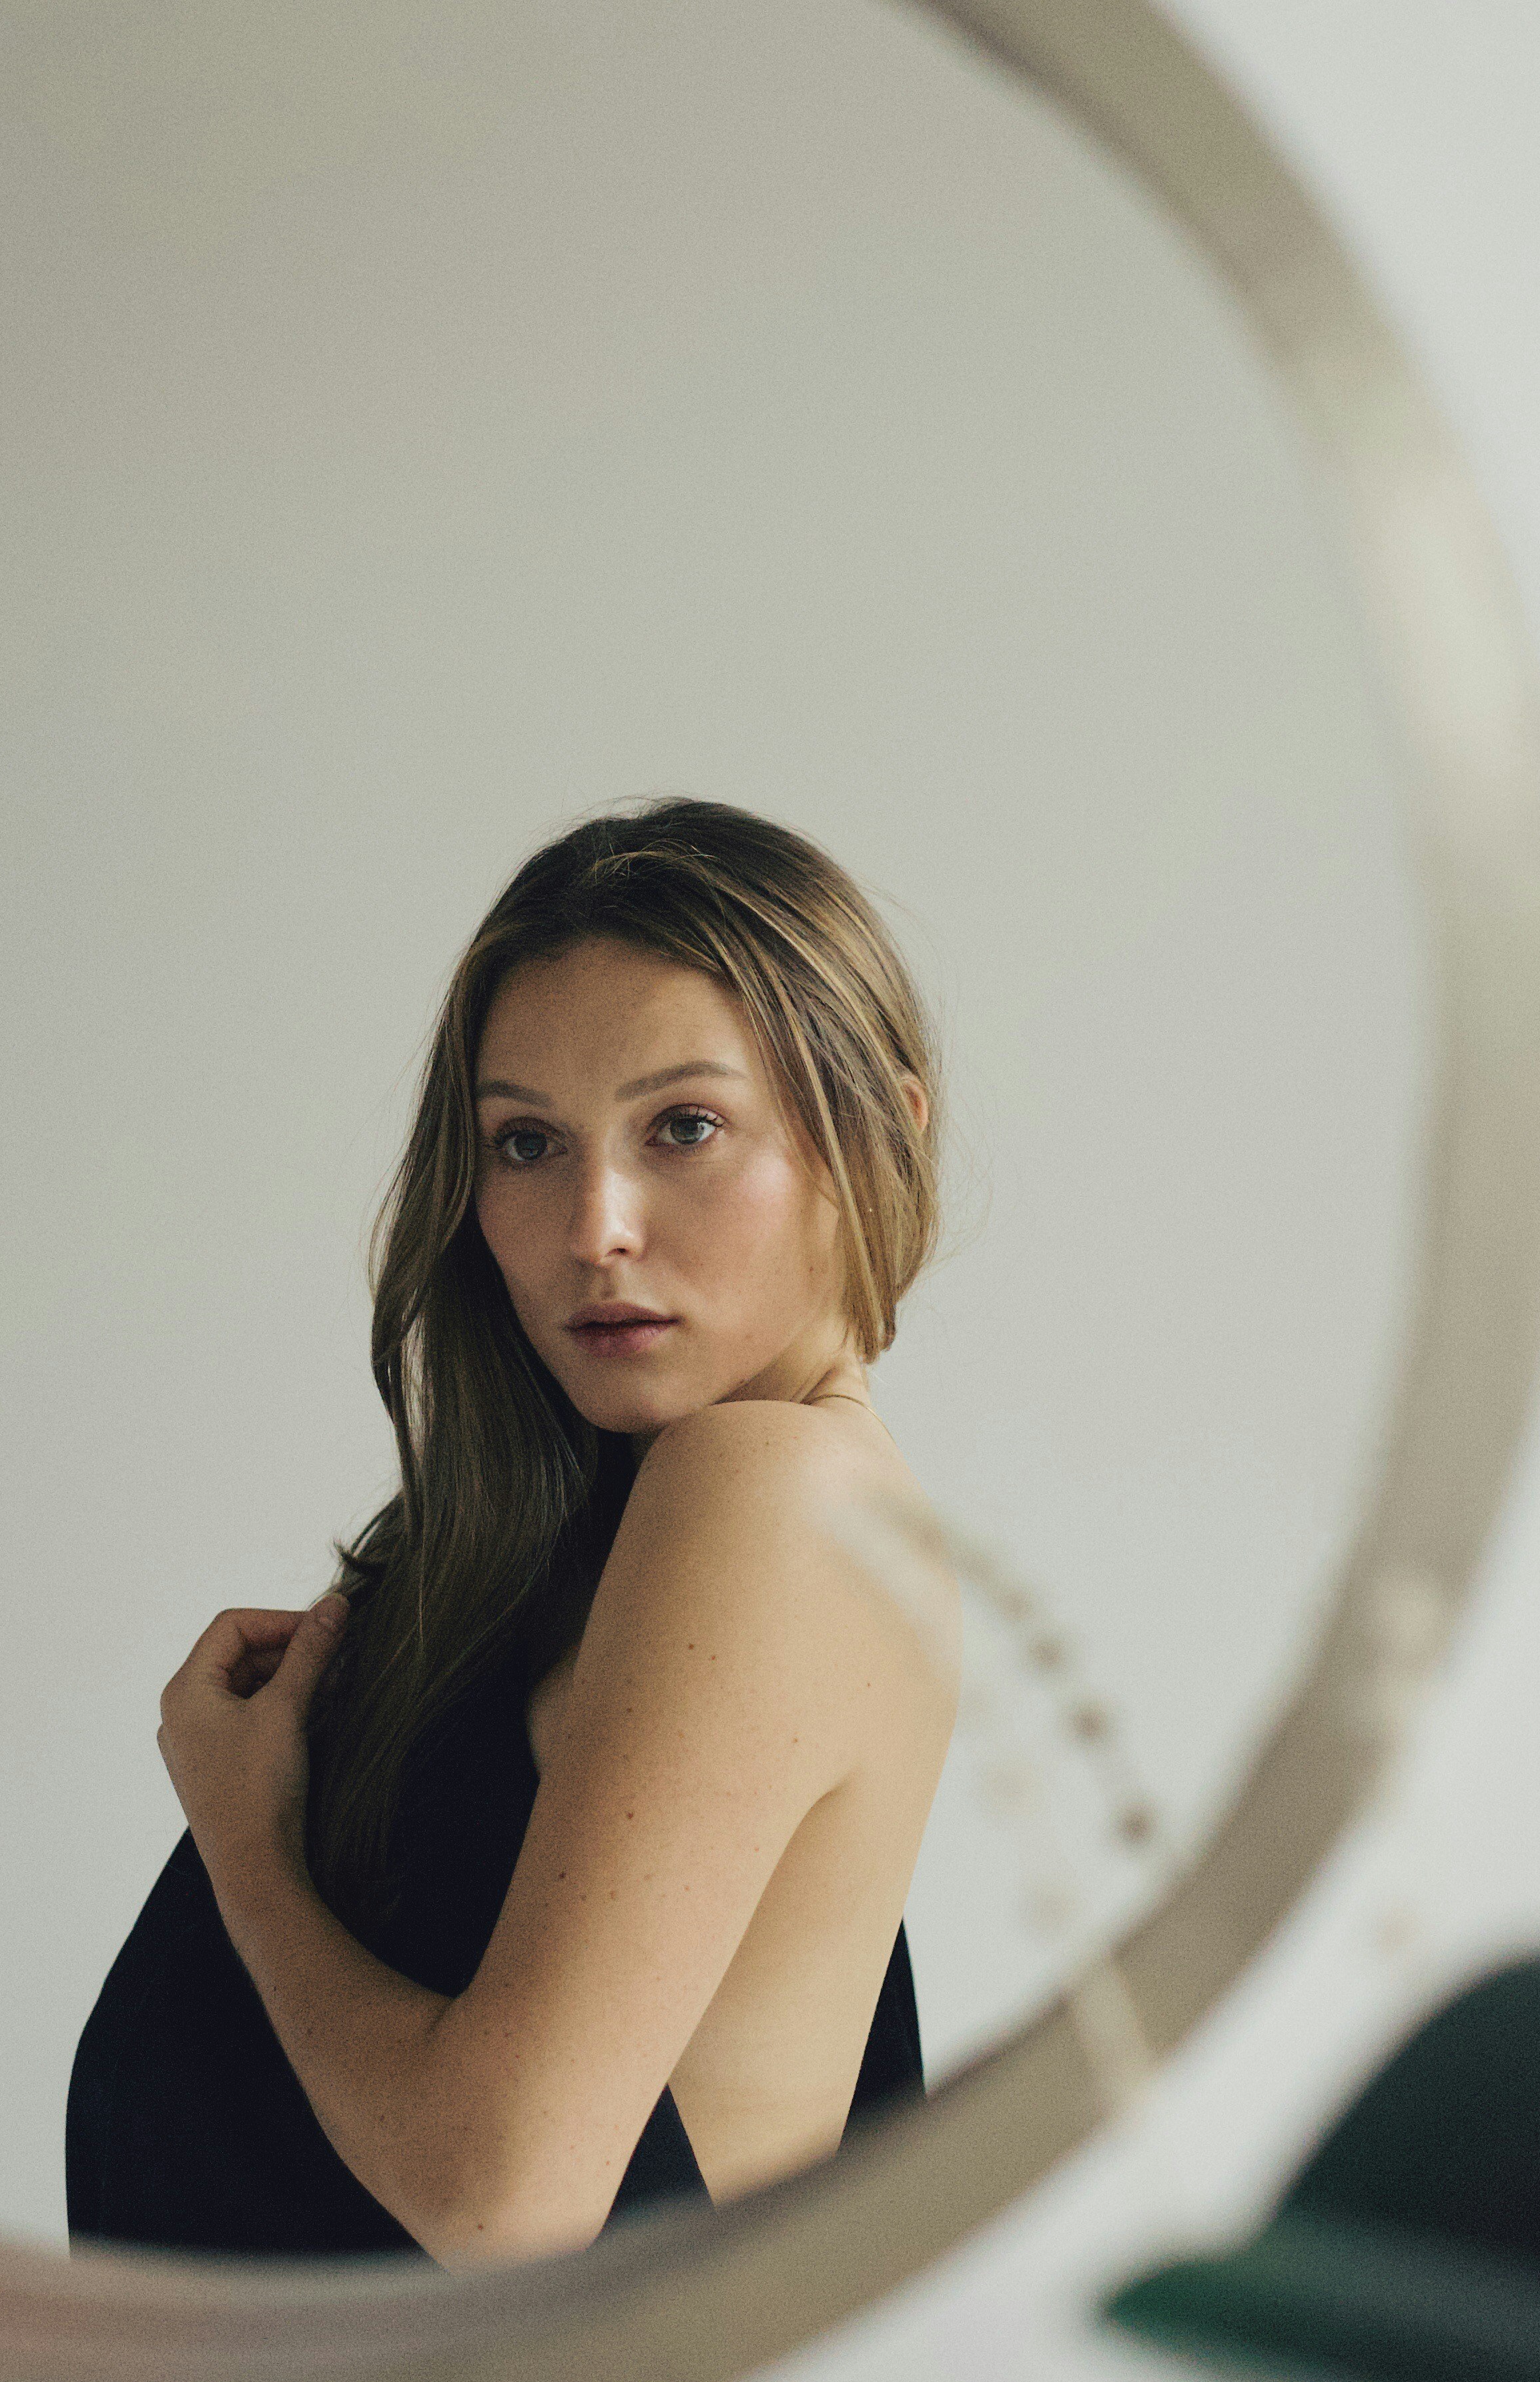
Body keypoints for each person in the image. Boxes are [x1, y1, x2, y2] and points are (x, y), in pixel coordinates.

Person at [65, 797, 957, 2266]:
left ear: (878, 1133)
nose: (592, 1223)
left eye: (682, 1127)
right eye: (526, 1143)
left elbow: (503, 2199)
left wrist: (247, 1845)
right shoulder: (607, 1526)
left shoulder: (768, 1494)